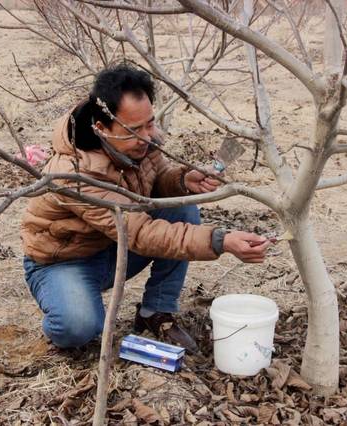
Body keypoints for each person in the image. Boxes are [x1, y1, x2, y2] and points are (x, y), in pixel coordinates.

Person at [21, 64, 271, 353]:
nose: (147, 136)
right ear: (101, 128)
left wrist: (181, 180)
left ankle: (155, 312)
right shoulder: (73, 173)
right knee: (80, 328)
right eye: (134, 130)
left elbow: (154, 184)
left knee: (183, 210)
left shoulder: (143, 139)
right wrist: (220, 240)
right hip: (65, 261)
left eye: (149, 123)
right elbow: (140, 232)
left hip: (113, 248)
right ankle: (63, 310)